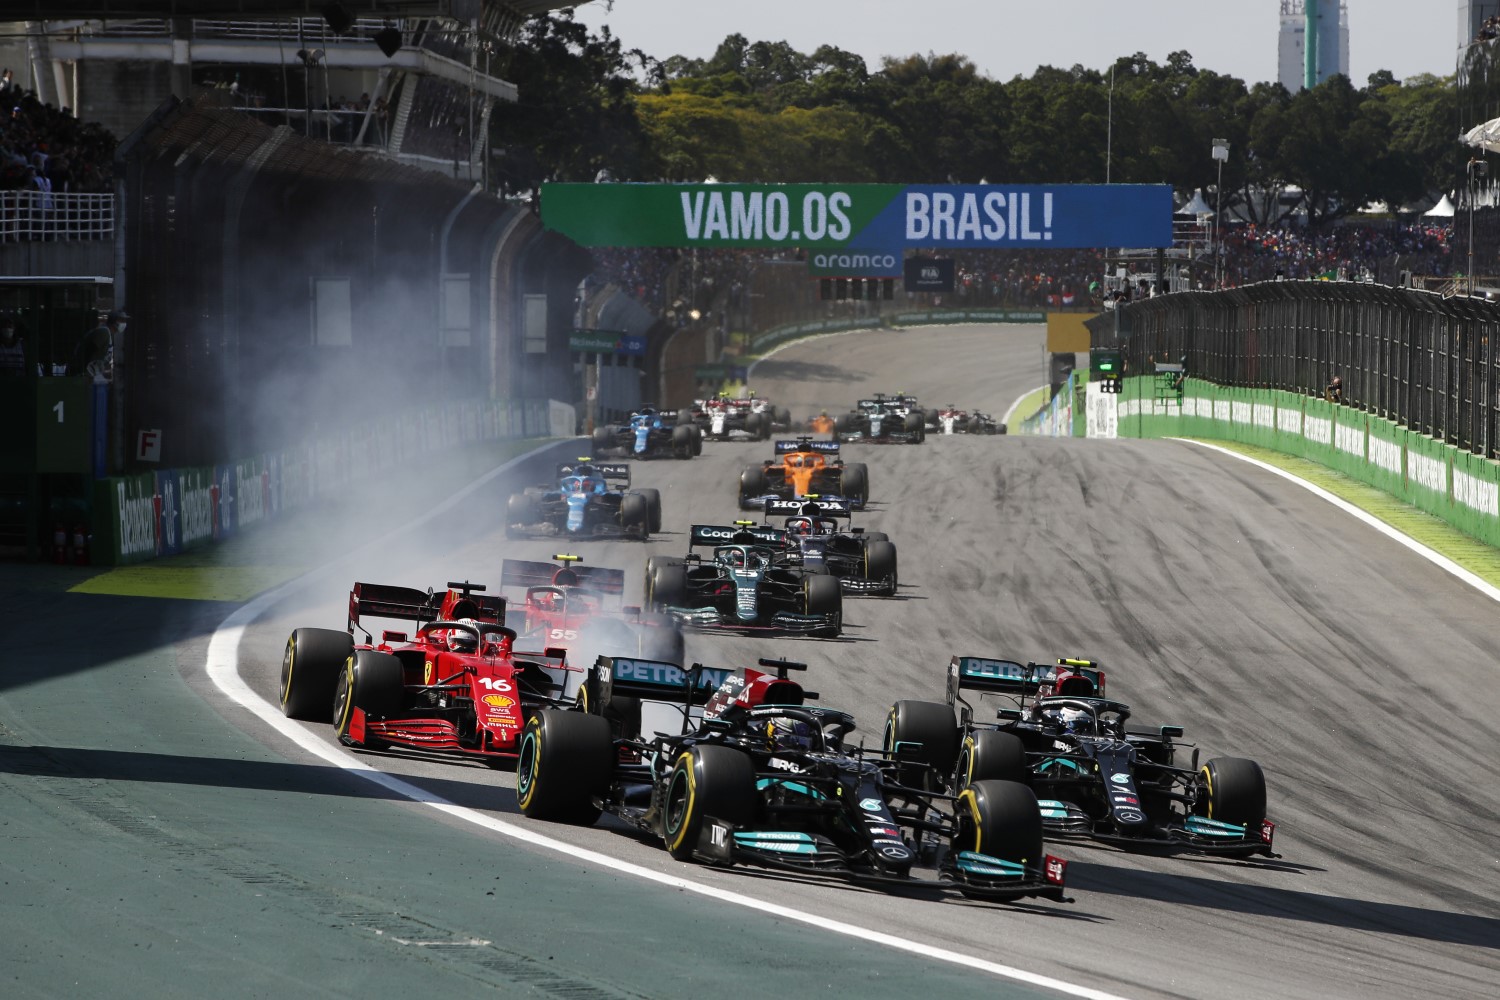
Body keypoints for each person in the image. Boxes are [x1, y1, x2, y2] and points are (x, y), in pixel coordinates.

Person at [70, 308, 126, 380]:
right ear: (114, 321)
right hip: (82, 375)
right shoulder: (104, 333)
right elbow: (89, 351)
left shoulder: (108, 335)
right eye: (121, 320)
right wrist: (84, 371)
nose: (124, 323)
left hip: (89, 376)